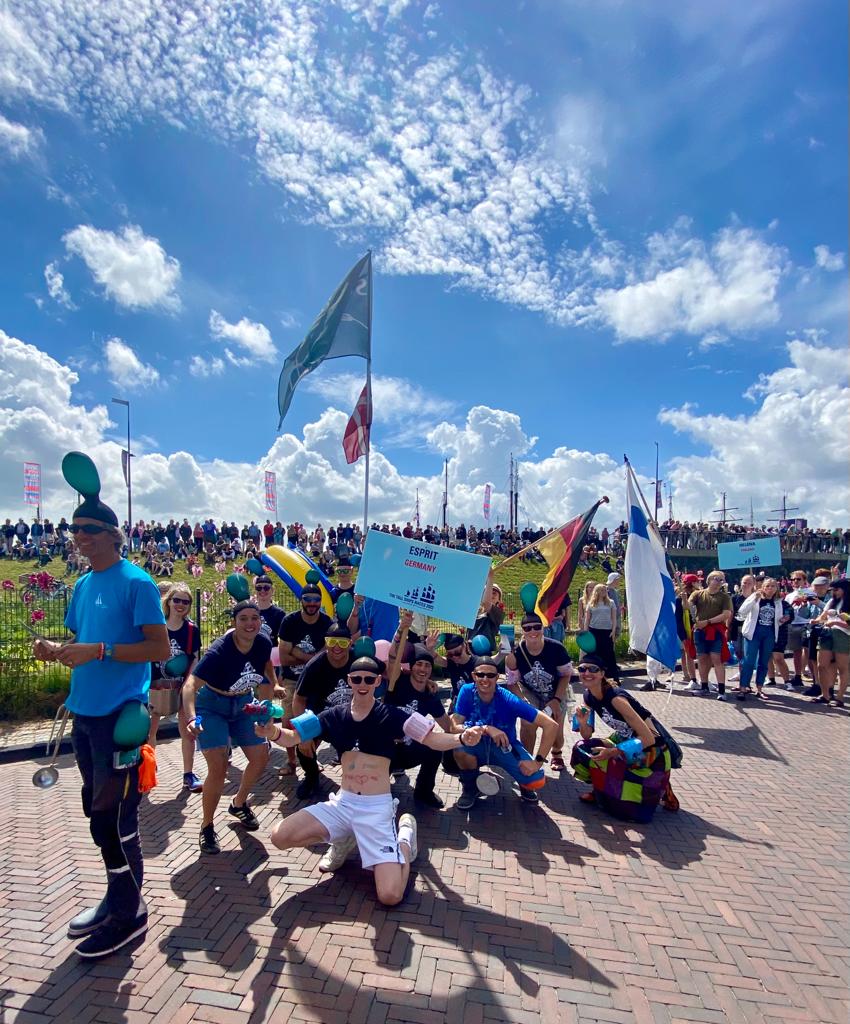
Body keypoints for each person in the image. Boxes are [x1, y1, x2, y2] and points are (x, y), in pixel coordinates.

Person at [32, 482, 169, 958]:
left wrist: (102, 651)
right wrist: (56, 649)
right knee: (97, 815)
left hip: (120, 719)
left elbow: (161, 649)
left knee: (115, 821)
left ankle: (129, 914)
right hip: (84, 716)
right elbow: (84, 640)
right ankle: (116, 898)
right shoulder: (85, 584)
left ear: (114, 534)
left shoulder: (138, 583)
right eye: (74, 529)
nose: (78, 536)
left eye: (89, 529)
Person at [258, 656, 485, 904]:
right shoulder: (331, 715)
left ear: (378, 681)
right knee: (279, 837)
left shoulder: (395, 715)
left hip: (376, 809)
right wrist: (272, 732)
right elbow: (292, 736)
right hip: (342, 805)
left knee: (390, 896)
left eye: (368, 679)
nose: (362, 683)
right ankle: (342, 838)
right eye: (357, 679)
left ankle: (405, 840)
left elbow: (432, 740)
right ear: (349, 682)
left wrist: (461, 739)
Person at [183, 602, 276, 854]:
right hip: (213, 705)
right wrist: (191, 718)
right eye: (243, 618)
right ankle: (207, 826)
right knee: (219, 767)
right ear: (234, 622)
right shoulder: (219, 651)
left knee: (260, 756)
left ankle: (238, 803)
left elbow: (266, 667)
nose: (249, 624)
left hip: (244, 702)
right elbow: (190, 685)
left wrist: (271, 692)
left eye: (254, 618)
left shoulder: (263, 642)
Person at [570, 653, 677, 822]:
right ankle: (598, 790)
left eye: (593, 669)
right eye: (582, 669)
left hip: (652, 750)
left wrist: (612, 752)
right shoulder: (588, 696)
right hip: (623, 740)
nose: (587, 673)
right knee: (582, 748)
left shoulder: (616, 699)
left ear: (602, 674)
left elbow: (648, 738)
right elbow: (587, 735)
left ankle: (662, 787)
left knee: (629, 809)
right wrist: (583, 722)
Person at [452, 657, 558, 809]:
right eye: (480, 674)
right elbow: (454, 726)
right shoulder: (466, 691)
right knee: (459, 750)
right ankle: (470, 789)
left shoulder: (508, 699)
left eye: (490, 675)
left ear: (497, 677)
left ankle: (524, 784)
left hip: (505, 746)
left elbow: (551, 725)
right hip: (475, 744)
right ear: (474, 675)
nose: (485, 679)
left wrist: (537, 762)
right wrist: (485, 729)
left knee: (535, 779)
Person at [384, 644, 456, 809]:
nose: (423, 669)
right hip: (384, 750)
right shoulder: (396, 682)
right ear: (411, 666)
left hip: (408, 749)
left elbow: (447, 725)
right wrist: (402, 628)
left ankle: (423, 791)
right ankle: (378, 788)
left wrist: (467, 732)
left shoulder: (430, 696)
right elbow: (393, 657)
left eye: (427, 665)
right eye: (419, 664)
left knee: (435, 747)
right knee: (376, 793)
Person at [147, 583, 203, 790]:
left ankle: (188, 774)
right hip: (155, 685)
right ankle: (149, 769)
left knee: (187, 731)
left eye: (185, 601)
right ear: (168, 601)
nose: (180, 605)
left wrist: (189, 683)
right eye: (176, 600)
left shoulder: (191, 630)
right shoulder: (156, 626)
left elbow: (194, 658)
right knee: (149, 731)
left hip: (181, 685)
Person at [291, 621, 355, 801]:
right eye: (332, 641)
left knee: (362, 749)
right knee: (303, 748)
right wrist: (304, 732)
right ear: (325, 642)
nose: (336, 647)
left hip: (349, 719)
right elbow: (298, 699)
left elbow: (388, 672)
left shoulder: (357, 660)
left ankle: (358, 781)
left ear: (350, 644)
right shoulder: (315, 665)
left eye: (342, 642)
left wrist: (425, 679)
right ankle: (311, 778)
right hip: (320, 718)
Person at [505, 612, 572, 771]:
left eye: (537, 627)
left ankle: (557, 753)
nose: (533, 631)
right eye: (527, 628)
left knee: (555, 728)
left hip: (556, 690)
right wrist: (522, 701)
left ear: (543, 628)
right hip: (531, 691)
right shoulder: (516, 652)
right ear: (523, 631)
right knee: (527, 723)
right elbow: (512, 682)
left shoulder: (556, 648)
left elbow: (566, 675)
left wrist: (556, 699)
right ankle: (526, 758)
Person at [735, 578, 792, 701]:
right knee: (749, 660)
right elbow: (742, 611)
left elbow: (781, 617)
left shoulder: (778, 602)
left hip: (769, 634)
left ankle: (759, 688)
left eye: (773, 586)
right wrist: (755, 598)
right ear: (763, 587)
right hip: (753, 633)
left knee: (764, 661)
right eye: (767, 586)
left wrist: (784, 619)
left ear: (776, 588)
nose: (770, 588)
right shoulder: (756, 597)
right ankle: (743, 687)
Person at [689, 570, 733, 700]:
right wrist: (685, 599)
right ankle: (704, 687)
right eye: (717, 579)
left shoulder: (724, 597)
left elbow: (726, 614)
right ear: (709, 580)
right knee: (701, 659)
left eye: (722, 579)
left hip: (715, 631)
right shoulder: (698, 594)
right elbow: (687, 606)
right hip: (700, 631)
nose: (719, 582)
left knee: (716, 658)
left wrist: (707, 622)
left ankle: (721, 690)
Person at [812, 579, 850, 708]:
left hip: (843, 635)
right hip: (827, 633)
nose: (834, 592)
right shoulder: (831, 601)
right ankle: (825, 695)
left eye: (836, 589)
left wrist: (836, 622)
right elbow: (822, 616)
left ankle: (839, 698)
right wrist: (816, 621)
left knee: (842, 667)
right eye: (832, 590)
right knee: (821, 665)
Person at [582, 584, 620, 682]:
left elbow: (614, 618)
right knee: (596, 654)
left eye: (605, 590)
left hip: (607, 631)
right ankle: (597, 676)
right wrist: (586, 632)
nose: (604, 592)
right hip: (594, 630)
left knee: (609, 654)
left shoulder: (610, 603)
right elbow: (587, 619)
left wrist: (613, 630)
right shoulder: (591, 604)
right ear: (597, 591)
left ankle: (615, 676)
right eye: (602, 590)